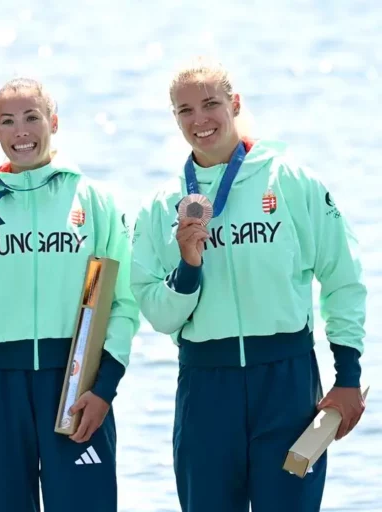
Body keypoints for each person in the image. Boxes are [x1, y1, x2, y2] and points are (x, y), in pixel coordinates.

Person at [129, 57, 367, 512]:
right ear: (174, 117)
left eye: (211, 104)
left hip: (286, 383)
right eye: (185, 111)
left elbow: (343, 277)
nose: (200, 120)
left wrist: (348, 374)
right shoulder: (162, 205)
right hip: (206, 388)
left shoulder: (291, 180)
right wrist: (188, 266)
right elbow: (159, 314)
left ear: (234, 104)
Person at [0, 77, 140, 512]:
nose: (21, 131)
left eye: (31, 117)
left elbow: (118, 304)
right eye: (8, 121)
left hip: (74, 385)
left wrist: (104, 387)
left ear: (53, 122)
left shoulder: (93, 201)